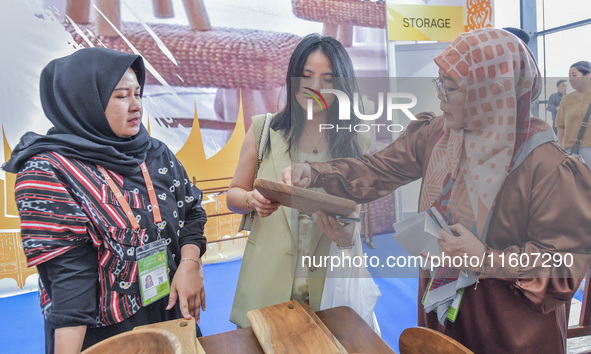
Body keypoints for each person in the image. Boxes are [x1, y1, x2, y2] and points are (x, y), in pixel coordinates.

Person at [285, 28, 591, 353]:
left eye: (452, 86)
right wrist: (316, 173)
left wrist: (487, 260)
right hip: (441, 318)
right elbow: (381, 168)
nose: (441, 94)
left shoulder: (546, 166)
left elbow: (564, 267)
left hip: (508, 332)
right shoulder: (440, 134)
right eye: (439, 82)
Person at [3, 47, 207, 353]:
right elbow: (71, 278)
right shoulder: (49, 171)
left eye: (138, 93)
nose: (136, 105)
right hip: (102, 333)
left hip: (167, 308)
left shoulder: (154, 153)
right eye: (121, 96)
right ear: (85, 100)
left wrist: (189, 263)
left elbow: (191, 212)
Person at [227, 33, 379, 329]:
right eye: (306, 76)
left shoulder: (356, 139)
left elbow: (355, 210)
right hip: (267, 281)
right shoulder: (264, 129)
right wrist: (251, 200)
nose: (315, 87)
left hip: (328, 283)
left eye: (327, 78)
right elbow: (233, 194)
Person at [556, 61, 591, 168]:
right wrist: (561, 151)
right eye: (569, 76)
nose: (570, 79)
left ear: (588, 76)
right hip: (571, 152)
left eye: (574, 75)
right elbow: (560, 128)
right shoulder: (566, 100)